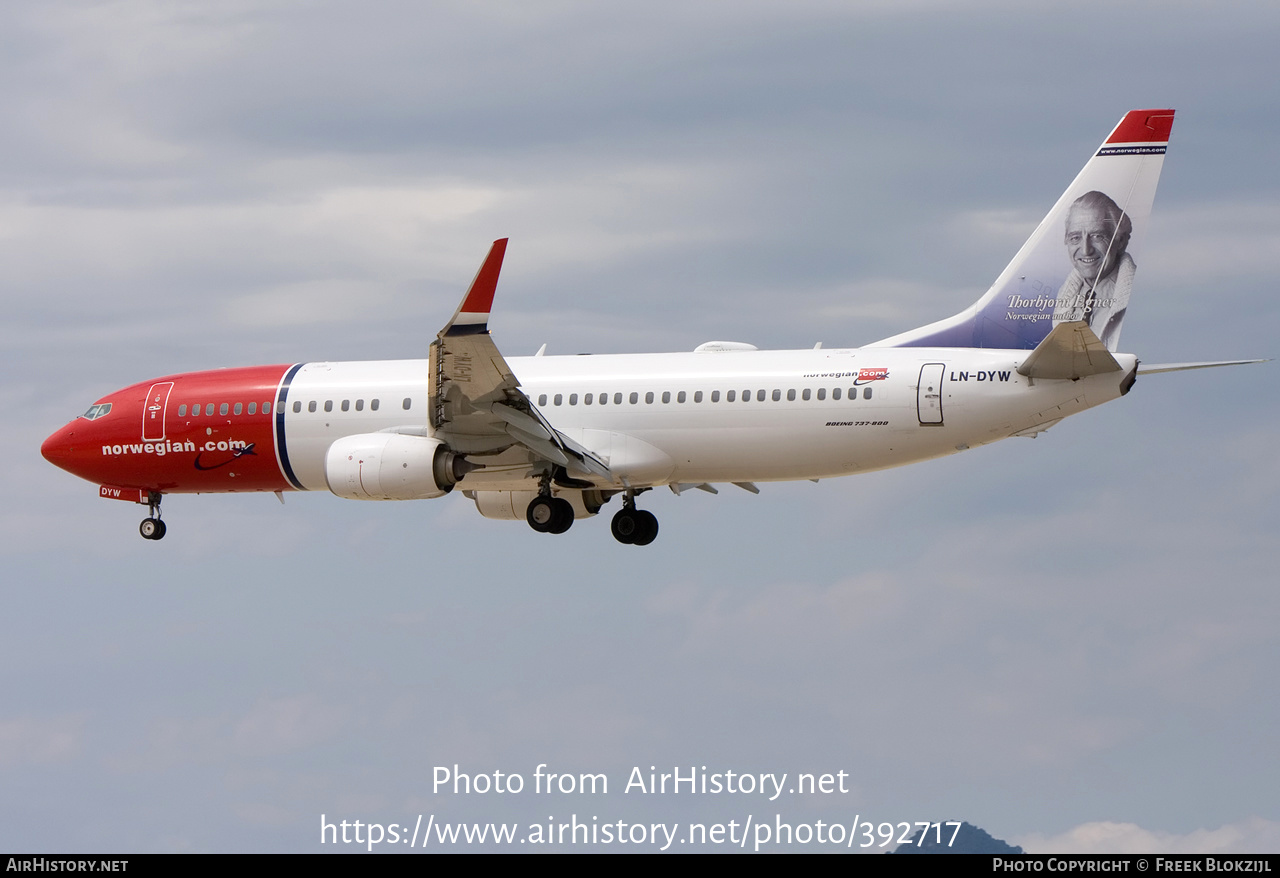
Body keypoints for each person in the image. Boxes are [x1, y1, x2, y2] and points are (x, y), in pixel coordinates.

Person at [1053, 190, 1134, 349]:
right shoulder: (1063, 299)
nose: (1085, 250)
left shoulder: (1136, 295)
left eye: (1097, 236)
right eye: (1075, 238)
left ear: (1120, 241)